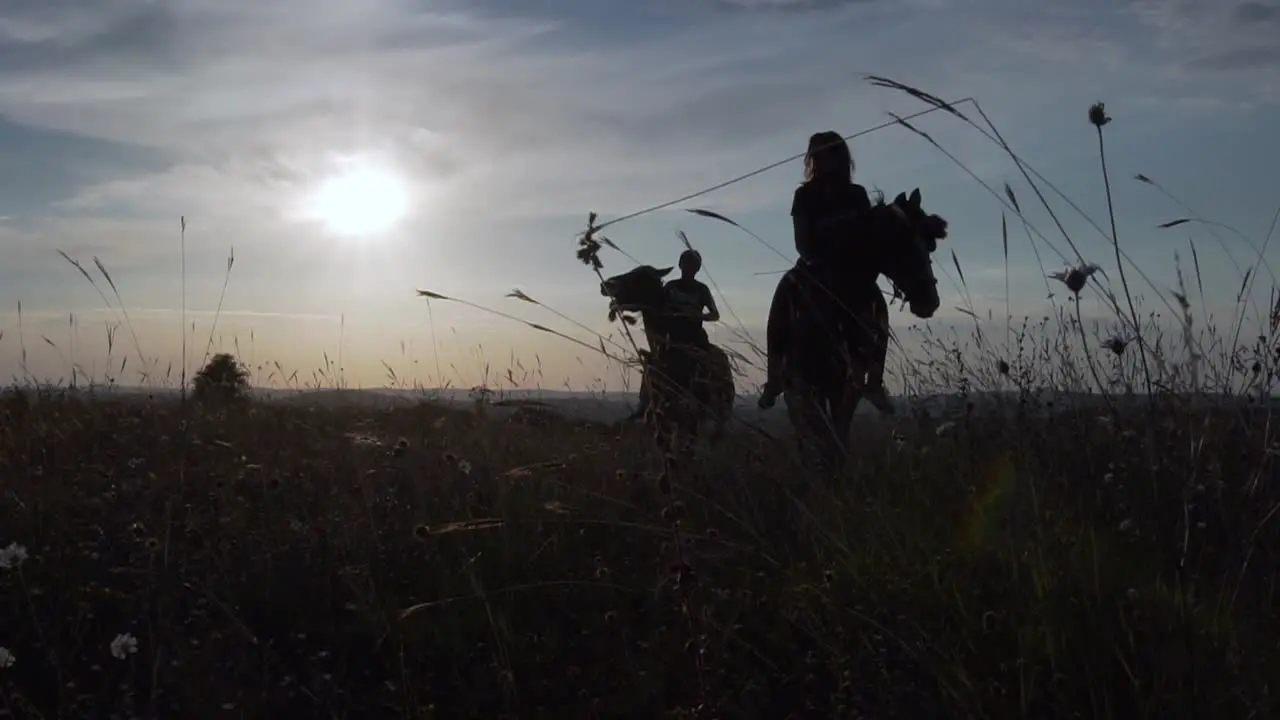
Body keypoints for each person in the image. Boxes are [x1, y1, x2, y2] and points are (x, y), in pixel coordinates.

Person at [757, 130, 894, 414]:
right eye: (815, 156)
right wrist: (823, 254)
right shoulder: (804, 195)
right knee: (781, 299)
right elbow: (801, 243)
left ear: (839, 157)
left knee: (878, 307)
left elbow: (867, 233)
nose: (820, 161)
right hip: (814, 266)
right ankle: (774, 378)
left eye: (826, 154)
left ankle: (875, 381)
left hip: (851, 267)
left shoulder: (856, 195)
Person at [663, 249, 720, 349]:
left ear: (697, 268)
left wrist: (699, 316)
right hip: (672, 337)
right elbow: (656, 306)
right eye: (687, 264)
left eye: (692, 266)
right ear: (680, 265)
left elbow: (715, 315)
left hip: (695, 338)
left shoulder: (702, 289)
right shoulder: (670, 286)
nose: (689, 269)